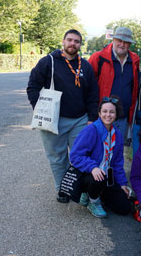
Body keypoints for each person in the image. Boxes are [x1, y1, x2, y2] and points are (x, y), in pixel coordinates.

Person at [27, 29, 99, 203]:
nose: (73, 44)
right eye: (70, 40)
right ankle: (62, 189)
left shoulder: (86, 66)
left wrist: (91, 118)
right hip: (53, 121)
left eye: (77, 41)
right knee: (58, 158)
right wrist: (41, 110)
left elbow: (92, 94)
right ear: (63, 41)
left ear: (80, 45)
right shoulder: (48, 62)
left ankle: (81, 191)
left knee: (81, 156)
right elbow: (33, 87)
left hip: (80, 120)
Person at [69, 96, 132, 218]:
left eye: (112, 112)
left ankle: (96, 194)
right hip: (89, 174)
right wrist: (92, 167)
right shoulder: (90, 130)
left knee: (124, 208)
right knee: (98, 178)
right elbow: (75, 156)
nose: (108, 115)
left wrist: (122, 183)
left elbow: (118, 163)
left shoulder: (117, 134)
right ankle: (92, 200)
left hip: (106, 176)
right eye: (104, 111)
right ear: (99, 113)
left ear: (116, 114)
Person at [89, 26, 140, 142]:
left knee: (116, 151)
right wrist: (91, 114)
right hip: (101, 116)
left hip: (122, 117)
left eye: (126, 42)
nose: (122, 44)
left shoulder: (134, 60)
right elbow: (87, 87)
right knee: (97, 150)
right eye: (119, 40)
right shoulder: (98, 58)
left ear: (130, 44)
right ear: (113, 40)